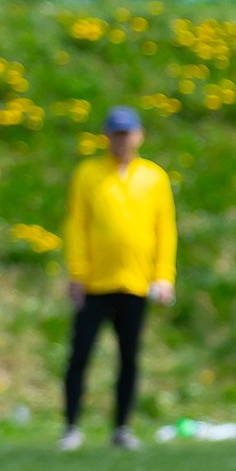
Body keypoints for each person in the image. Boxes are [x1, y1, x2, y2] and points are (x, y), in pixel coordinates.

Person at [60, 106, 176, 451]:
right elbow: (76, 225)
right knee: (79, 355)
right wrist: (77, 273)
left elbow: (165, 230)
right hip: (94, 283)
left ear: (139, 136)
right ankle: (71, 426)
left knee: (129, 358)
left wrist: (164, 275)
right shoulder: (88, 174)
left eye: (127, 134)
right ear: (106, 136)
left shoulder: (154, 177)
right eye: (116, 134)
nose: (122, 140)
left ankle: (122, 427)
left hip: (136, 283)